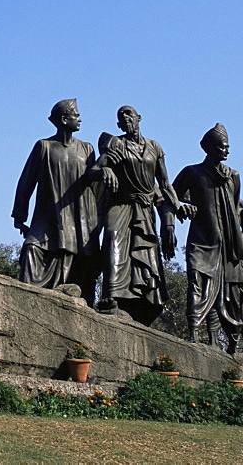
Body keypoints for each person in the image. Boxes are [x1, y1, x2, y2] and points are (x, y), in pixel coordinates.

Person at [94, 106, 180, 325]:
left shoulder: (154, 147)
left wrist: (176, 210)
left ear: (139, 118)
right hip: (121, 204)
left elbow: (164, 184)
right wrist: (106, 169)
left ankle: (143, 302)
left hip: (145, 209)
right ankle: (111, 296)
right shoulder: (116, 144)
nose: (125, 118)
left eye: (129, 114)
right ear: (118, 125)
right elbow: (93, 171)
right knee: (113, 238)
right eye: (121, 117)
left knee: (146, 256)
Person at [173, 123, 243, 345]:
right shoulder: (192, 172)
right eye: (222, 147)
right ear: (209, 148)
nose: (227, 151)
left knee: (226, 293)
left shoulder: (233, 176)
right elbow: (169, 195)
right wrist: (182, 206)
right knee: (197, 282)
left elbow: (236, 208)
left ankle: (222, 340)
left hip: (227, 244)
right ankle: (193, 333)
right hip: (202, 239)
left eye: (228, 147)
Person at [12, 99, 101, 303]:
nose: (80, 119)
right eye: (76, 115)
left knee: (79, 262)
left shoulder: (87, 149)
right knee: (31, 249)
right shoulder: (44, 146)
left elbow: (96, 184)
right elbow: (26, 181)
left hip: (80, 218)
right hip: (50, 215)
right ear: (64, 119)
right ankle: (29, 301)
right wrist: (19, 215)